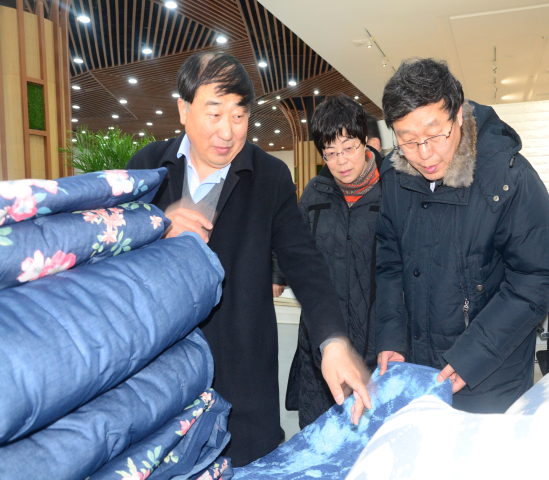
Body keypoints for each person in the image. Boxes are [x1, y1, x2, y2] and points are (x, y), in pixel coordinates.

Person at [126, 52, 371, 466]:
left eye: (239, 115)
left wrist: (333, 340)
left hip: (242, 384)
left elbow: (305, 264)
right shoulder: (148, 168)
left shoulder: (269, 175)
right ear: (184, 110)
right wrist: (155, 227)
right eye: (215, 113)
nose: (227, 131)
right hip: (161, 379)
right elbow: (113, 264)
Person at [375, 58, 549, 414]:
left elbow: (536, 278)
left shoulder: (509, 177)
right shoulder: (394, 174)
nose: (424, 154)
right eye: (408, 140)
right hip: (416, 366)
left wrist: (472, 356)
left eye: (435, 135)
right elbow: (389, 263)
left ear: (458, 114)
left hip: (489, 372)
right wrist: (391, 336)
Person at [286, 95, 382, 428]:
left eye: (348, 148)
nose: (341, 161)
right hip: (322, 350)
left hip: (377, 349)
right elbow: (297, 257)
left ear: (365, 140)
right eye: (330, 153)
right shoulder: (314, 194)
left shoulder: (393, 189)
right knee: (321, 439)